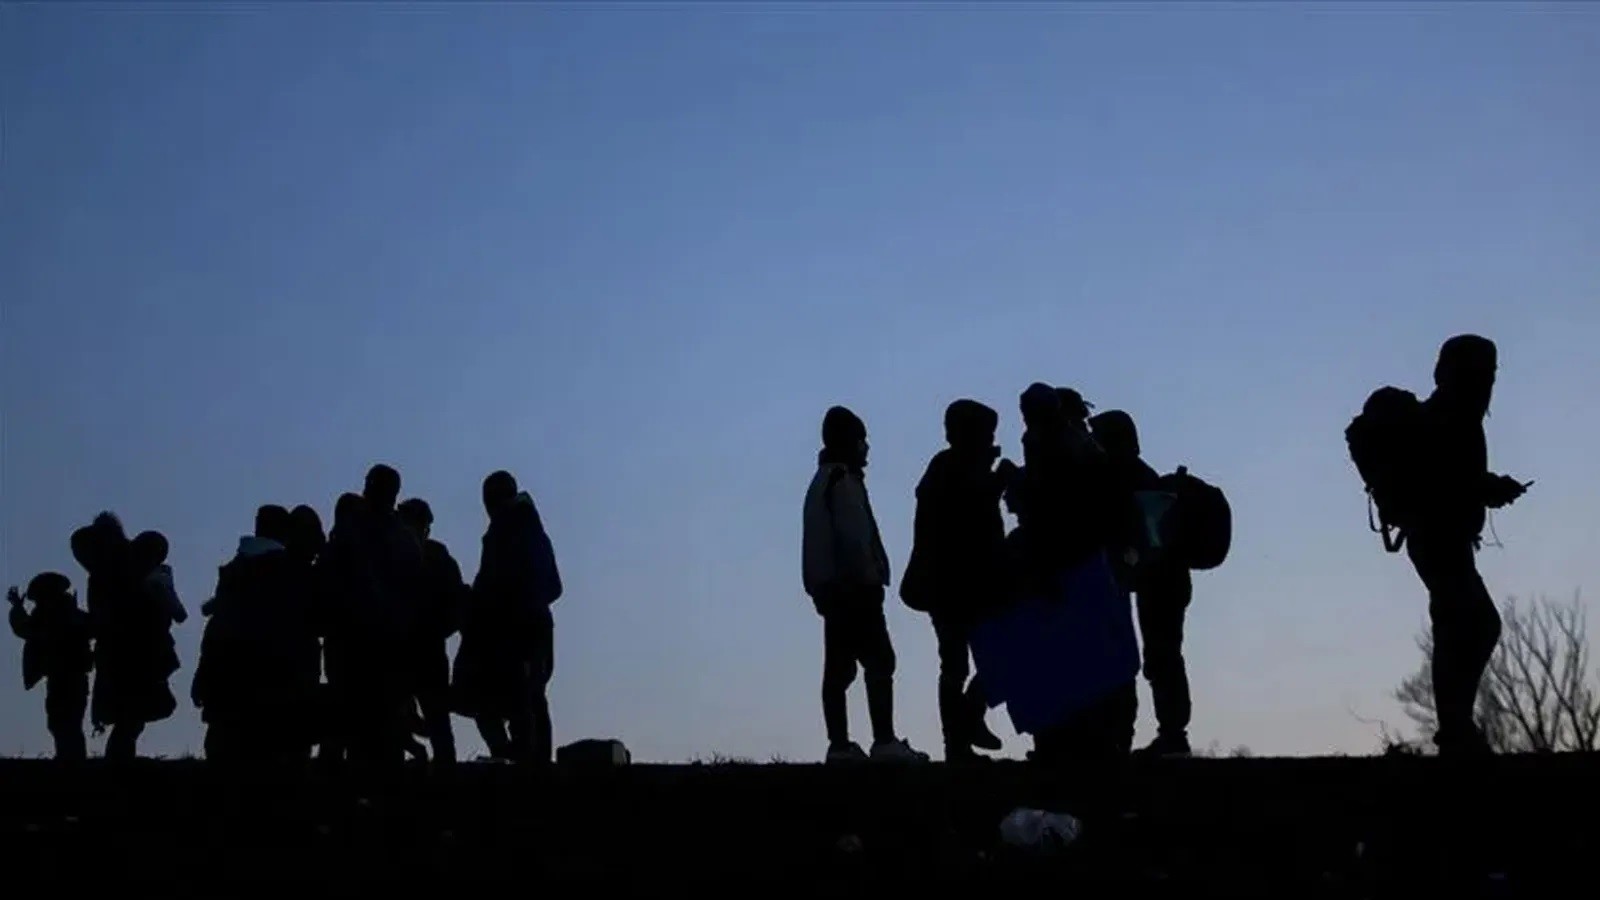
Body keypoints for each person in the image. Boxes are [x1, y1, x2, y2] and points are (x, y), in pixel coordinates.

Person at [1409, 335, 1529, 756]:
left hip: (1441, 537)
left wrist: (1487, 488)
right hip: (1437, 537)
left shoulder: (1452, 413)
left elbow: (1453, 477)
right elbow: (1447, 478)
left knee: (1458, 625)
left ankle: (1455, 729)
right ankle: (1455, 729)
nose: (1489, 381)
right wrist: (1490, 487)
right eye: (1485, 372)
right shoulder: (1451, 416)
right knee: (1475, 624)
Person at [803, 406, 927, 764]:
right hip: (854, 590)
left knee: (838, 669)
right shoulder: (842, 482)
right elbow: (855, 539)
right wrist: (870, 578)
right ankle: (883, 741)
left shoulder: (823, 482)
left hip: (833, 591)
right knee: (879, 661)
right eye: (862, 440)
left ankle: (839, 745)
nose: (867, 448)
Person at [901, 399, 1008, 761]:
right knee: (964, 663)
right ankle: (960, 735)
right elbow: (968, 514)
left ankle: (963, 729)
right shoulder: (950, 470)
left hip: (962, 586)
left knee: (981, 662)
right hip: (957, 587)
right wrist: (996, 482)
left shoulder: (952, 469)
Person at [1091, 409, 1195, 757]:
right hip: (1163, 578)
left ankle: (1173, 734)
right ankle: (1172, 733)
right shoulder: (1138, 473)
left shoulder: (1126, 475)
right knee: (1162, 655)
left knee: (1161, 655)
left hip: (1159, 579)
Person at [458, 470, 563, 763]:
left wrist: (511, 607)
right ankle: (524, 759)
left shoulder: (516, 534)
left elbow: (549, 585)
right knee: (522, 699)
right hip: (522, 630)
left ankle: (529, 763)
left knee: (524, 699)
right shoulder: (517, 532)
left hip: (523, 632)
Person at [193, 505, 312, 761]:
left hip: (228, 679)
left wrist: (204, 674)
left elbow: (216, 629)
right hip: (273, 683)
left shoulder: (235, 571)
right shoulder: (290, 572)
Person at [72, 512, 177, 760]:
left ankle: (120, 759)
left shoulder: (101, 572)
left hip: (119, 649)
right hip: (136, 649)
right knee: (131, 715)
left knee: (128, 715)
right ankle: (120, 761)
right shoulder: (124, 567)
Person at [397, 497, 466, 764]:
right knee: (435, 723)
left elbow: (455, 608)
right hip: (420, 650)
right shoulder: (438, 558)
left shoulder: (433, 558)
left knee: (433, 722)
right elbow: (456, 608)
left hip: (414, 650)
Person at [8, 573, 92, 760]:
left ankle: (70, 761)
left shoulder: (58, 617)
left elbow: (26, 630)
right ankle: (71, 760)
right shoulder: (70, 615)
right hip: (67, 677)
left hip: (66, 678)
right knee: (65, 722)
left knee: (63, 722)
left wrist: (18, 609)